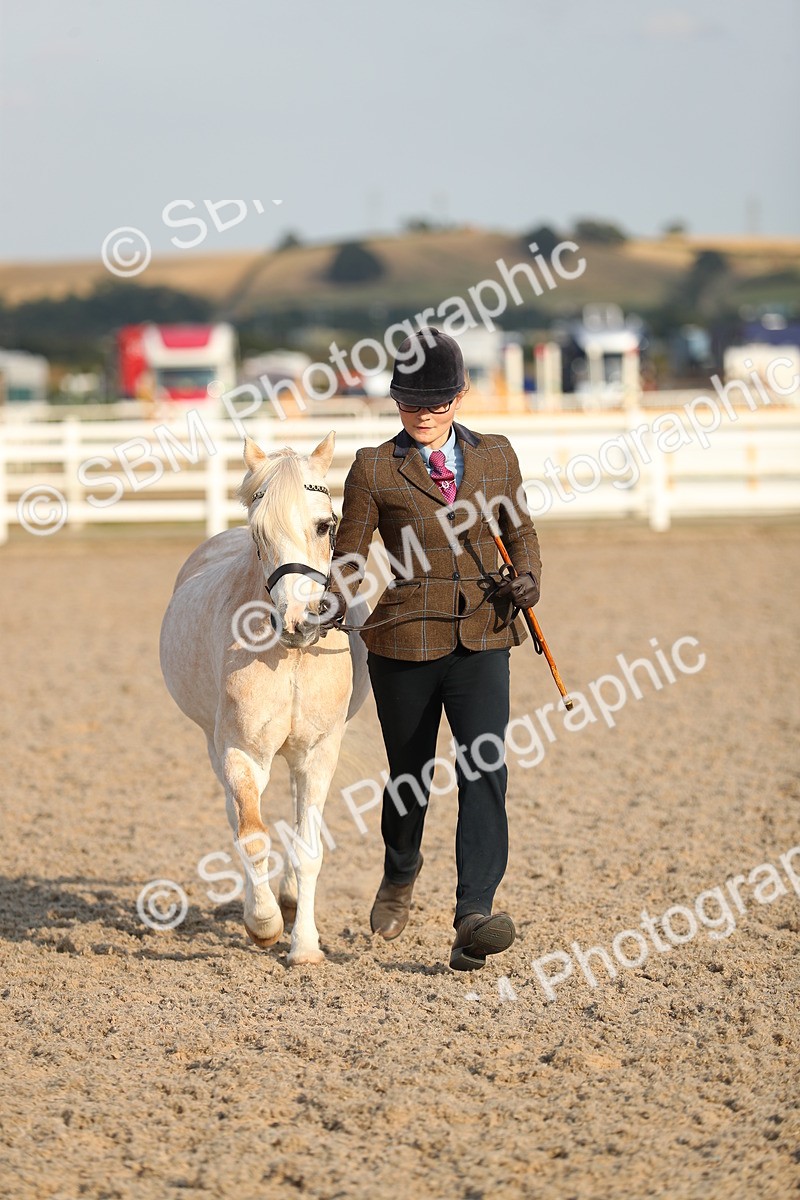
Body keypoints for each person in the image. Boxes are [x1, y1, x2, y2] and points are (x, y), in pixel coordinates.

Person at [321, 328, 541, 971]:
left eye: (436, 403)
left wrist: (529, 578)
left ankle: (473, 916)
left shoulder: (496, 455)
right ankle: (400, 869)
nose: (422, 415)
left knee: (486, 769)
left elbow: (520, 532)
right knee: (410, 776)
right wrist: (331, 601)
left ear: (460, 395)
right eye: (410, 403)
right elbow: (350, 554)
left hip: (483, 634)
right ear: (395, 400)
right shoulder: (372, 467)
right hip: (403, 643)